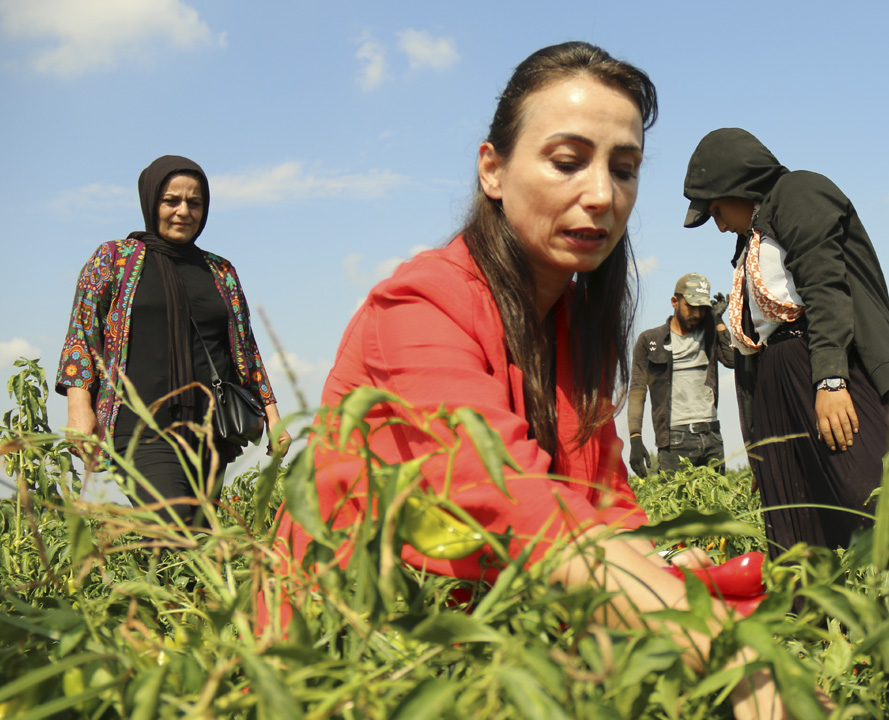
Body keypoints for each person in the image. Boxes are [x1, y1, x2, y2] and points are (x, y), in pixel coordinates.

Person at [270, 44, 787, 718]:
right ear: (493, 169)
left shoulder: (575, 329)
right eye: (567, 162)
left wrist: (652, 569)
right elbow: (508, 496)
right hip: (353, 649)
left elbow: (606, 504)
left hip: (499, 629)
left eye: (624, 169)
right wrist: (697, 632)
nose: (602, 194)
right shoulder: (421, 306)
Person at [682, 128, 889, 559]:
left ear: (739, 185)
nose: (718, 224)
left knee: (864, 496)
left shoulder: (798, 192)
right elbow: (758, 338)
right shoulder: (750, 237)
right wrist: (761, 448)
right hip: (778, 376)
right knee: (793, 522)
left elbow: (826, 289)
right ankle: (808, 623)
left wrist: (829, 381)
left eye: (717, 209)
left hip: (820, 360)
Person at [56, 155, 290, 527]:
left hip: (211, 430)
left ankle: (157, 585)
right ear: (151, 202)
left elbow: (245, 348)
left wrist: (273, 415)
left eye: (194, 202)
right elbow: (82, 335)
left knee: (196, 538)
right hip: (139, 427)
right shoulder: (114, 259)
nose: (184, 211)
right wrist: (78, 409)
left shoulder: (220, 271)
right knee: (173, 523)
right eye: (171, 201)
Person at [627, 272, 734, 477]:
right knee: (679, 508)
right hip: (675, 440)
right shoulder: (651, 340)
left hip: (712, 436)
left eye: (702, 308)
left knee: (716, 507)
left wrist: (719, 321)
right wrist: (635, 437)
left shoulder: (709, 334)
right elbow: (637, 391)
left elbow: (732, 360)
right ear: (675, 302)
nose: (697, 313)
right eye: (691, 306)